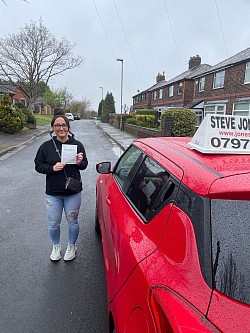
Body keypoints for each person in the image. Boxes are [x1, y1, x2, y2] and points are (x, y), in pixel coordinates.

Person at [34, 114, 88, 261]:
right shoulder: (46, 147)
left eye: (64, 125)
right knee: (53, 223)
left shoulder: (77, 144)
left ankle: (72, 246)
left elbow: (84, 165)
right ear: (53, 128)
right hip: (53, 193)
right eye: (57, 125)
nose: (61, 128)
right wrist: (52, 168)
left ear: (68, 126)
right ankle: (56, 246)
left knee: (73, 221)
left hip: (72, 192)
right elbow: (38, 165)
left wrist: (79, 162)